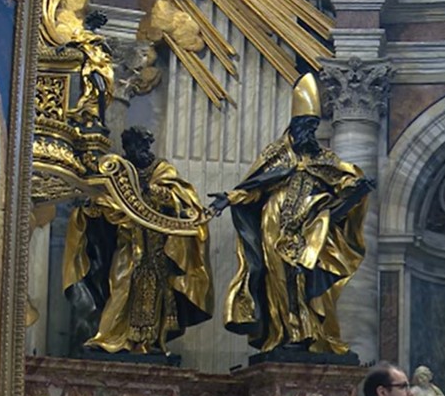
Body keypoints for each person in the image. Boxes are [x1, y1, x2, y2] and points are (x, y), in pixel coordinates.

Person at [213, 73, 375, 356]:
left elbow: (344, 179)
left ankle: (309, 333)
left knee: (302, 276)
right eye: (306, 125)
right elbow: (254, 189)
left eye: (314, 126)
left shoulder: (322, 158)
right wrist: (229, 198)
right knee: (278, 280)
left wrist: (356, 186)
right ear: (295, 125)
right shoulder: (276, 153)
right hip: (274, 226)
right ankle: (283, 333)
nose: (310, 132)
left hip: (309, 228)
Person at [63, 125, 212, 355]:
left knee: (152, 295)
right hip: (128, 244)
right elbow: (107, 206)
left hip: (156, 247)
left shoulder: (161, 170)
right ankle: (110, 337)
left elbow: (181, 200)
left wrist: (151, 191)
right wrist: (89, 207)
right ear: (128, 148)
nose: (141, 151)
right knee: (120, 282)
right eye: (135, 147)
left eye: (143, 146)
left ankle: (146, 342)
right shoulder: (118, 172)